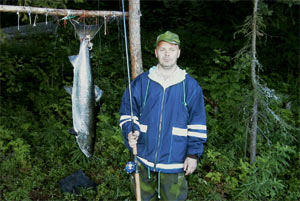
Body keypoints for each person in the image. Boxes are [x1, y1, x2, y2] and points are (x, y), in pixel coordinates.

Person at [119, 31, 207, 201]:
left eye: (172, 50)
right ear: (156, 52)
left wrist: (193, 155)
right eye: (163, 49)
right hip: (143, 158)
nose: (167, 54)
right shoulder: (142, 82)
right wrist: (131, 131)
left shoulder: (190, 86)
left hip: (175, 162)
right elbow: (128, 112)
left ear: (178, 53)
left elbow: (197, 124)